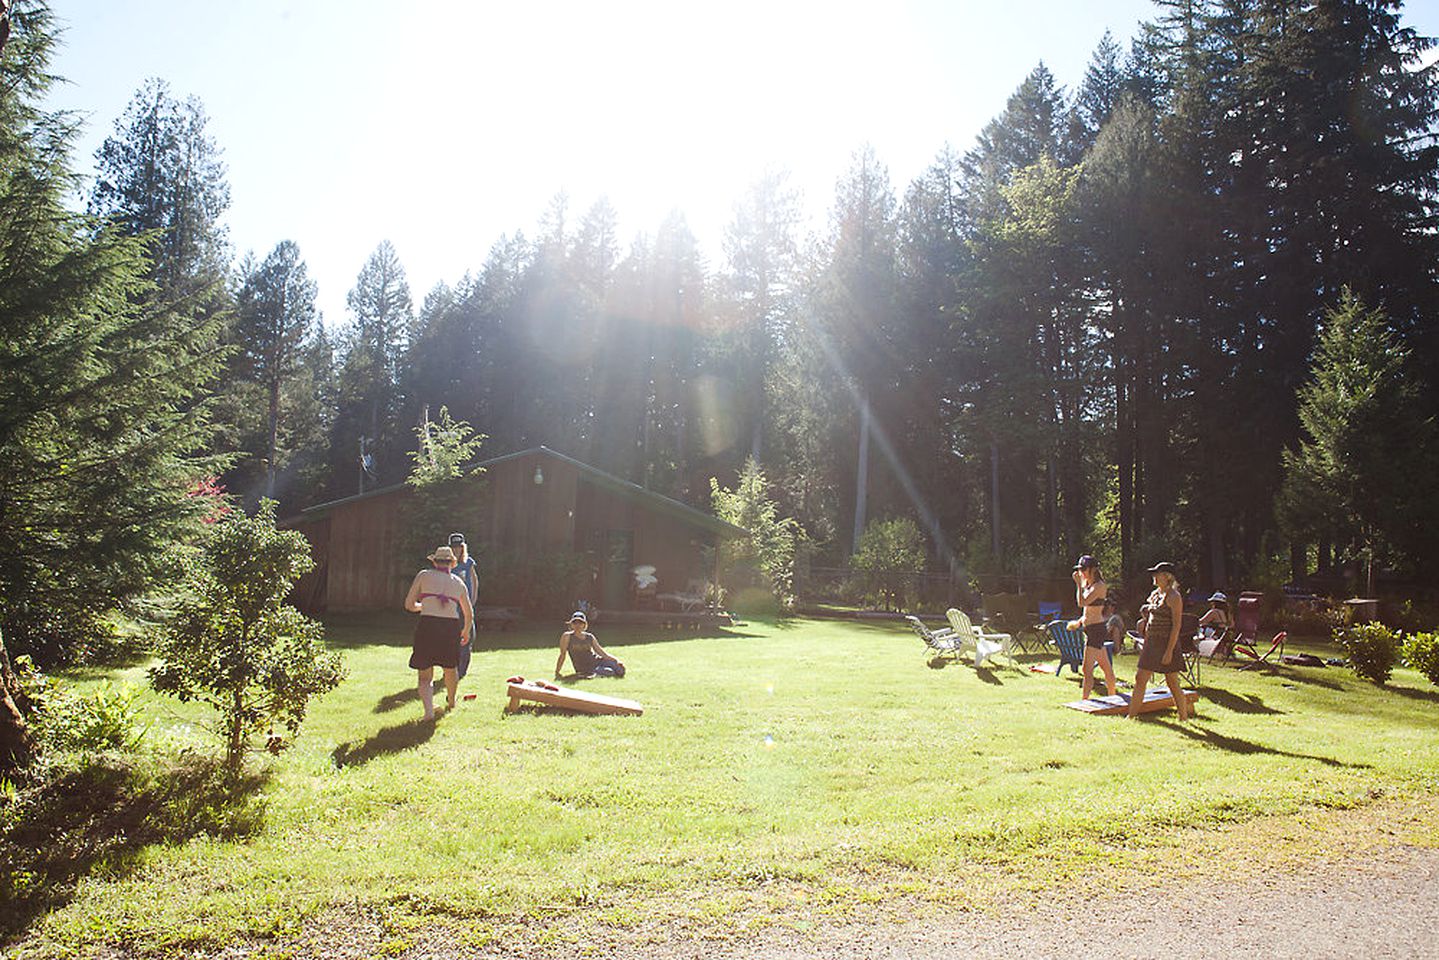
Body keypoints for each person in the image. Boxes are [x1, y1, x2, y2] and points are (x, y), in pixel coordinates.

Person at [402, 544, 474, 720]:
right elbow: (469, 613)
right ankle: (452, 702)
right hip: (450, 627)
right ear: (452, 563)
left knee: (425, 674)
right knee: (450, 668)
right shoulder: (458, 583)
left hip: (428, 625)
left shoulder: (424, 576)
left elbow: (409, 605)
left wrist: (424, 606)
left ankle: (428, 712)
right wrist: (465, 631)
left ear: (435, 562)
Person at [1128, 561, 1191, 721]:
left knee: (1172, 681)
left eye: (1158, 574)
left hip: (1166, 642)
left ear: (1167, 577)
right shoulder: (1156, 594)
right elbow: (1150, 617)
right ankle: (1131, 715)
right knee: (1140, 678)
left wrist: (1169, 651)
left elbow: (1176, 626)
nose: (1154, 577)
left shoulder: (1174, 597)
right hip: (1152, 642)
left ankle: (1183, 717)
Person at [1067, 555, 1117, 700]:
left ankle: (1085, 700)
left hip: (1096, 630)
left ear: (1093, 570)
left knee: (1086, 669)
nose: (1081, 573)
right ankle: (1113, 695)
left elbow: (1082, 603)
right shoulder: (1089, 585)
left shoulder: (1099, 586)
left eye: (1083, 570)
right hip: (1090, 629)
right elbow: (1088, 611)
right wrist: (1079, 622)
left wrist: (1078, 584)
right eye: (1080, 570)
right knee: (1106, 667)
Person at [554, 611, 625, 679]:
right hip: (585, 667)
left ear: (584, 624)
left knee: (620, 670)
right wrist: (557, 671)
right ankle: (587, 675)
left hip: (597, 661)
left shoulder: (589, 636)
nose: (578, 625)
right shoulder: (567, 636)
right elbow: (562, 654)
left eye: (580, 623)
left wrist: (616, 661)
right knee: (609, 672)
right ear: (571, 624)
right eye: (575, 623)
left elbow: (601, 653)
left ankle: (594, 674)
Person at [448, 533, 478, 682]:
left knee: (468, 638)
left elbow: (474, 580)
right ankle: (451, 669)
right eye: (454, 547)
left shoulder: (468, 563)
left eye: (459, 547)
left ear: (463, 547)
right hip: (451, 608)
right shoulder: (447, 564)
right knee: (451, 639)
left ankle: (461, 670)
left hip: (465, 606)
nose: (456, 550)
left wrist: (473, 599)